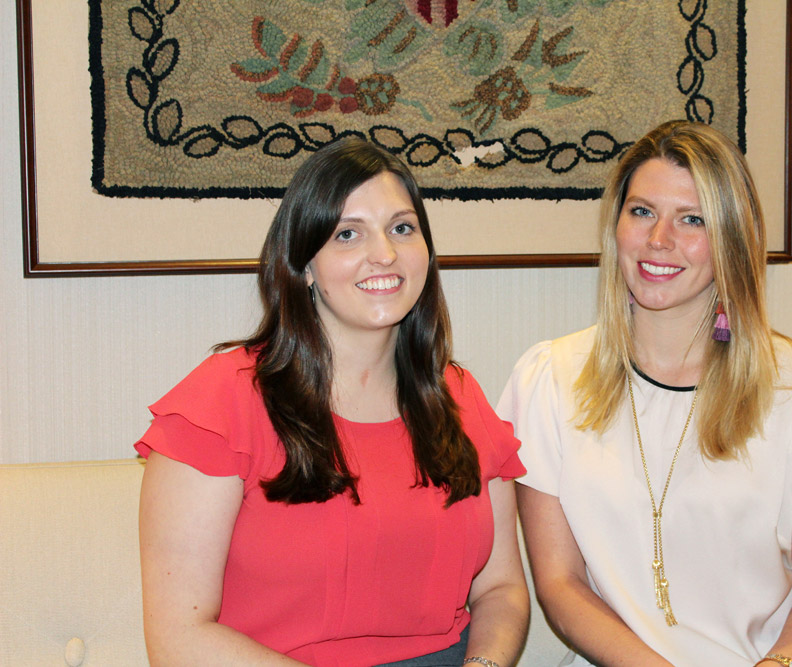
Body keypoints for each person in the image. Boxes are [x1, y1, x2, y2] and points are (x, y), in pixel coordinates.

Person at [497, 121, 792, 667]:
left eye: (693, 219)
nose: (659, 240)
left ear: (731, 238)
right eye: (641, 212)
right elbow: (561, 587)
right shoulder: (548, 381)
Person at [136, 138, 528, 667]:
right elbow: (178, 638)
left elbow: (501, 589)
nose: (384, 253)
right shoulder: (224, 399)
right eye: (348, 234)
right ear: (304, 265)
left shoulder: (459, 396)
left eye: (402, 228)